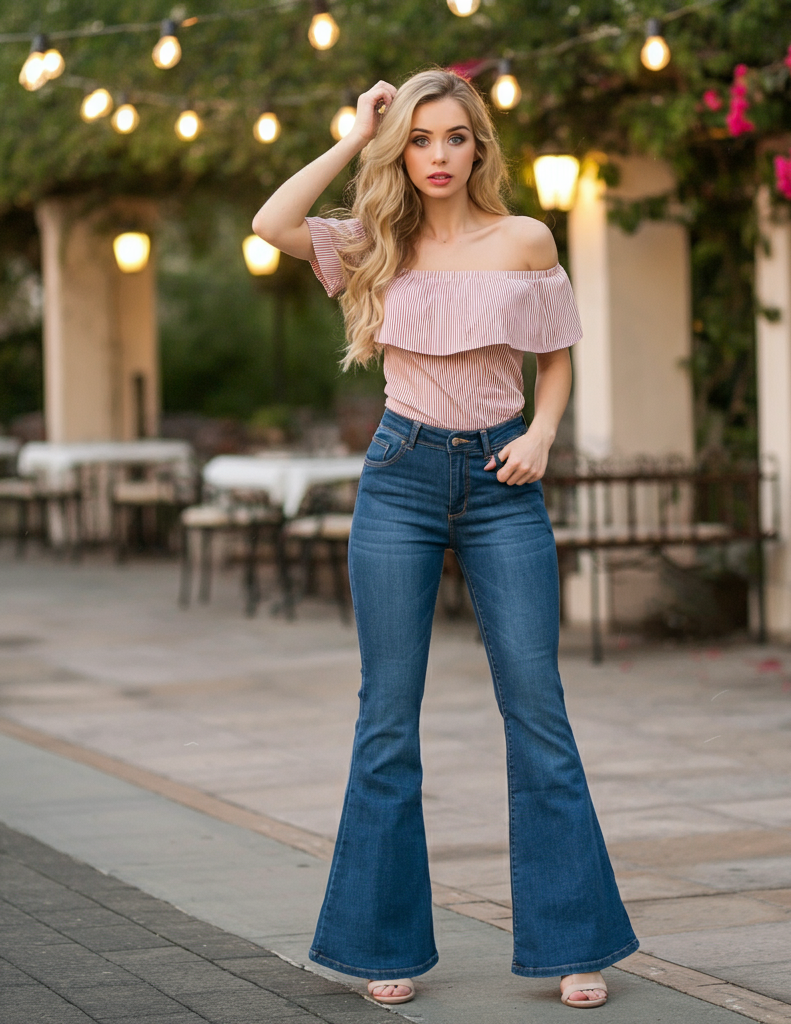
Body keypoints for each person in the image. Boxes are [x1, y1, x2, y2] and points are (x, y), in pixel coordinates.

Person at [252, 67, 637, 1010]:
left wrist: (543, 436)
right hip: (401, 480)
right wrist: (354, 135)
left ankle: (571, 943)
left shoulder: (525, 240)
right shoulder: (375, 242)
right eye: (419, 139)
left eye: (452, 138)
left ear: (479, 148)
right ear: (403, 147)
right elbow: (270, 223)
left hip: (504, 480)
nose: (435, 156)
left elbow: (556, 361)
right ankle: (385, 942)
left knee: (536, 709)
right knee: (388, 717)